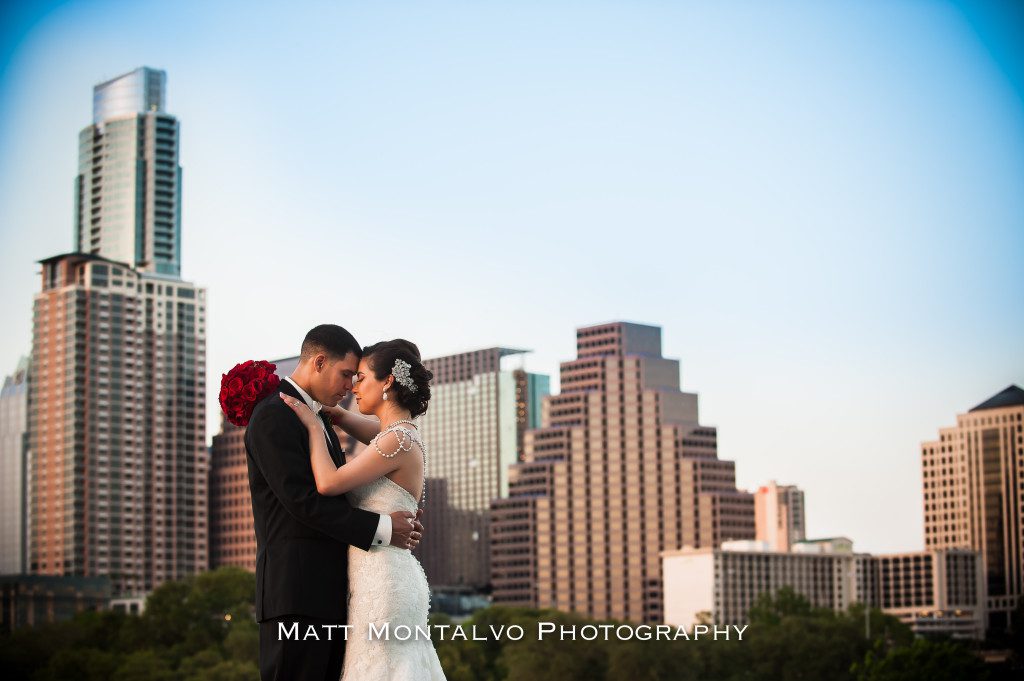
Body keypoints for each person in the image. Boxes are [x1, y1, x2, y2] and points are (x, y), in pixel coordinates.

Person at [245, 325, 424, 681]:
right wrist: (383, 528)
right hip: (295, 597)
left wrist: (328, 420)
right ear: (319, 362)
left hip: (337, 594)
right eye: (346, 375)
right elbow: (302, 502)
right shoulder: (274, 415)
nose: (350, 386)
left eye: (357, 377)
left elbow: (388, 437)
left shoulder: (322, 418)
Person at [280, 338, 447, 680]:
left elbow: (328, 483)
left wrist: (313, 427)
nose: (353, 386)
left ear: (387, 382)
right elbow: (362, 425)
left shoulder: (395, 441)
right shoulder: (397, 433)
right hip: (381, 574)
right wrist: (335, 413)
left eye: (361, 377)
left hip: (385, 582)